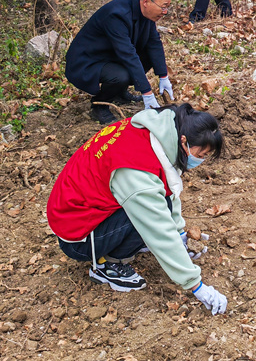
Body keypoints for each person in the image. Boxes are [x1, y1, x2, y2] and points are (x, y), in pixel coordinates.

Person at [46, 104, 228, 314]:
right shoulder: (136, 170)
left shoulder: (160, 132)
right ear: (184, 142)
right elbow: (157, 228)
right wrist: (196, 285)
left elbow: (168, 183)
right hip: (78, 236)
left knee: (158, 207)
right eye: (201, 154)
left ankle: (120, 242)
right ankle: (107, 265)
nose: (201, 161)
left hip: (83, 209)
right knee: (146, 216)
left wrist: (180, 235)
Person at [65, 0, 175, 124]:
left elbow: (154, 42)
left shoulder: (146, 12)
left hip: (111, 54)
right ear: (147, 1)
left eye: (167, 7)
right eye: (163, 7)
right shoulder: (116, 15)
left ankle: (119, 93)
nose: (165, 12)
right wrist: (147, 93)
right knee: (120, 76)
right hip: (88, 60)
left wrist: (163, 76)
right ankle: (100, 104)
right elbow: (128, 54)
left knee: (148, 56)